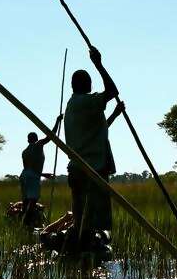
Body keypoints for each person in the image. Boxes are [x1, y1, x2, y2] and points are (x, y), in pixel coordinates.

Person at [63, 46, 120, 251]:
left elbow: (96, 133)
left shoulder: (74, 105)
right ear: (87, 85)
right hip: (92, 170)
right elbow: (113, 91)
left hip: (78, 169)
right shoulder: (86, 101)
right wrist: (99, 64)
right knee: (91, 222)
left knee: (82, 221)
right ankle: (85, 256)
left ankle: (79, 257)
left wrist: (114, 115)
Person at [19, 115, 63, 225]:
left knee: (25, 201)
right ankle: (27, 222)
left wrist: (44, 175)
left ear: (28, 140)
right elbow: (50, 136)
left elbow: (28, 169)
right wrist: (57, 122)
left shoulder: (24, 151)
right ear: (36, 139)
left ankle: (23, 221)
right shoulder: (38, 145)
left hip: (24, 175)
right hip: (33, 176)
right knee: (33, 201)